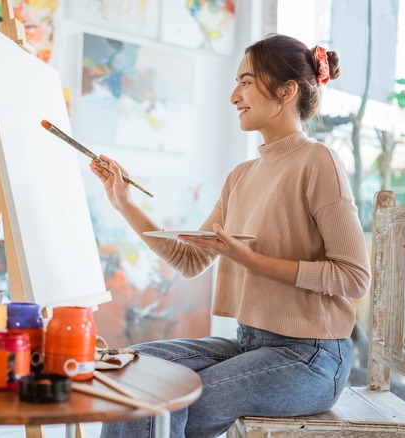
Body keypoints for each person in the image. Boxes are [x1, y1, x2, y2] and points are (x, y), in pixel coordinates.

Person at [90, 34, 371, 438]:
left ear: (286, 90)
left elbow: (354, 277)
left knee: (169, 403)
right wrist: (124, 203)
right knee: (133, 368)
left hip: (312, 356)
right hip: (250, 345)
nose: (233, 96)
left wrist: (250, 260)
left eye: (245, 81)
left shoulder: (318, 161)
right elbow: (190, 259)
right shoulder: (241, 176)